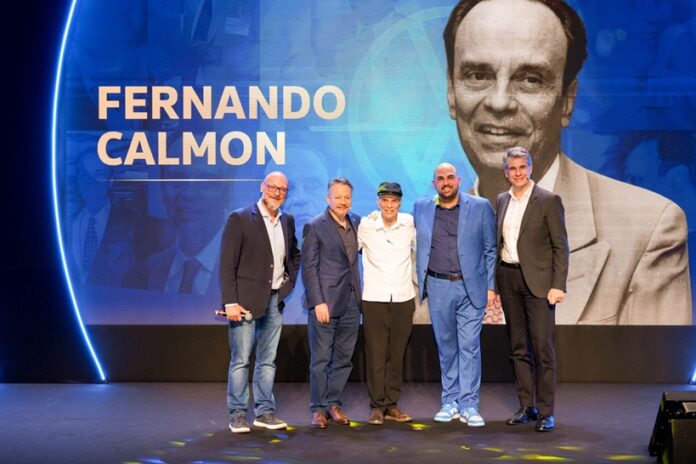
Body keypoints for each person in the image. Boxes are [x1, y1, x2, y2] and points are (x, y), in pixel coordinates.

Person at [443, 0, 691, 324]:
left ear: (567, 102)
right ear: (452, 92)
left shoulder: (649, 230)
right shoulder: (421, 240)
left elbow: (653, 357)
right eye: (478, 75)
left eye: (531, 79)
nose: (500, 102)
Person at [414, 163, 496, 426]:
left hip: (471, 287)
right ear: (434, 183)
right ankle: (450, 401)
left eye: (450, 177)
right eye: (440, 178)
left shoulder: (480, 206)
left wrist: (491, 287)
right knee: (447, 346)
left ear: (459, 180)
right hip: (438, 286)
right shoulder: (421, 207)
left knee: (469, 346)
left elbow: (490, 248)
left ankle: (469, 404)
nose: (446, 182)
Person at [219, 171, 301, 433]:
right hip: (244, 303)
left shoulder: (287, 220)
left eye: (282, 190)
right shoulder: (240, 218)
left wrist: (288, 285)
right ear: (262, 187)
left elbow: (294, 255)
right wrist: (230, 302)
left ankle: (264, 412)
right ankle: (237, 414)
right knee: (241, 360)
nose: (277, 193)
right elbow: (227, 263)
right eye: (273, 187)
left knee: (267, 360)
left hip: (275, 300)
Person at [496, 147, 569, 432]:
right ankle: (527, 406)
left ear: (530, 168)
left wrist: (557, 285)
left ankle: (546, 412)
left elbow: (560, 247)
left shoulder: (548, 200)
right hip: (509, 279)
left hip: (539, 285)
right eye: (512, 168)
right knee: (518, 347)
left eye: (522, 167)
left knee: (542, 348)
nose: (518, 173)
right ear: (506, 172)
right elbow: (499, 243)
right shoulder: (502, 200)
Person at [302, 177, 362, 429]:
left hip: (352, 302)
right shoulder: (315, 226)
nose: (343, 202)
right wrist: (318, 302)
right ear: (328, 198)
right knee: (321, 359)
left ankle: (334, 404)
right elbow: (309, 267)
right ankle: (318, 409)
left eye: (347, 197)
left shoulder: (357, 222)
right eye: (338, 197)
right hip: (325, 303)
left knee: (344, 358)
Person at [358, 182, 415, 425]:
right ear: (378, 202)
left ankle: (392, 404)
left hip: (403, 298)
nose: (389, 205)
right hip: (374, 298)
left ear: (399, 203)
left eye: (394, 201)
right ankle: (376, 406)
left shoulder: (409, 223)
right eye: (385, 200)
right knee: (376, 354)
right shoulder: (366, 225)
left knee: (397, 354)